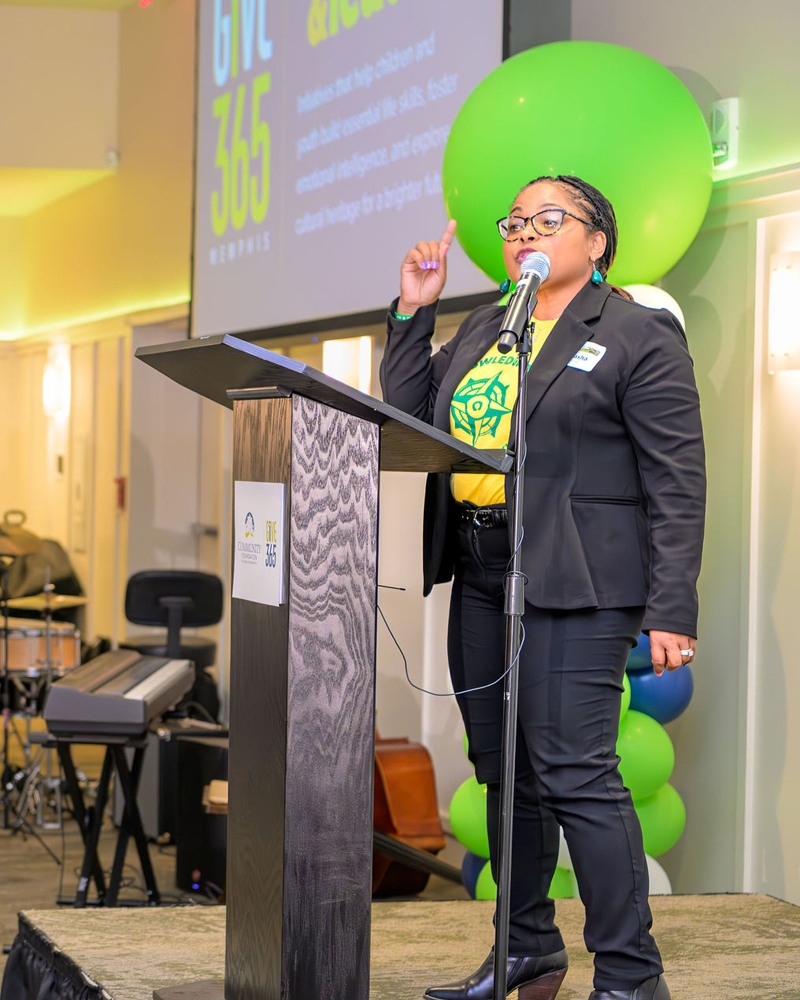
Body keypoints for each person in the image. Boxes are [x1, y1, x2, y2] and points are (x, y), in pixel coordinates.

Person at [379, 175, 705, 1000]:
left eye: (548, 219)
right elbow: (416, 413)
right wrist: (418, 311)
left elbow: (677, 480)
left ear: (597, 242)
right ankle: (526, 949)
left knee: (574, 771)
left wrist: (672, 605)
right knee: (504, 772)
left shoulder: (636, 333)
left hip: (581, 582)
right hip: (484, 573)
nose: (526, 232)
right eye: (516, 222)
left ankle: (631, 976)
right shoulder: (494, 324)